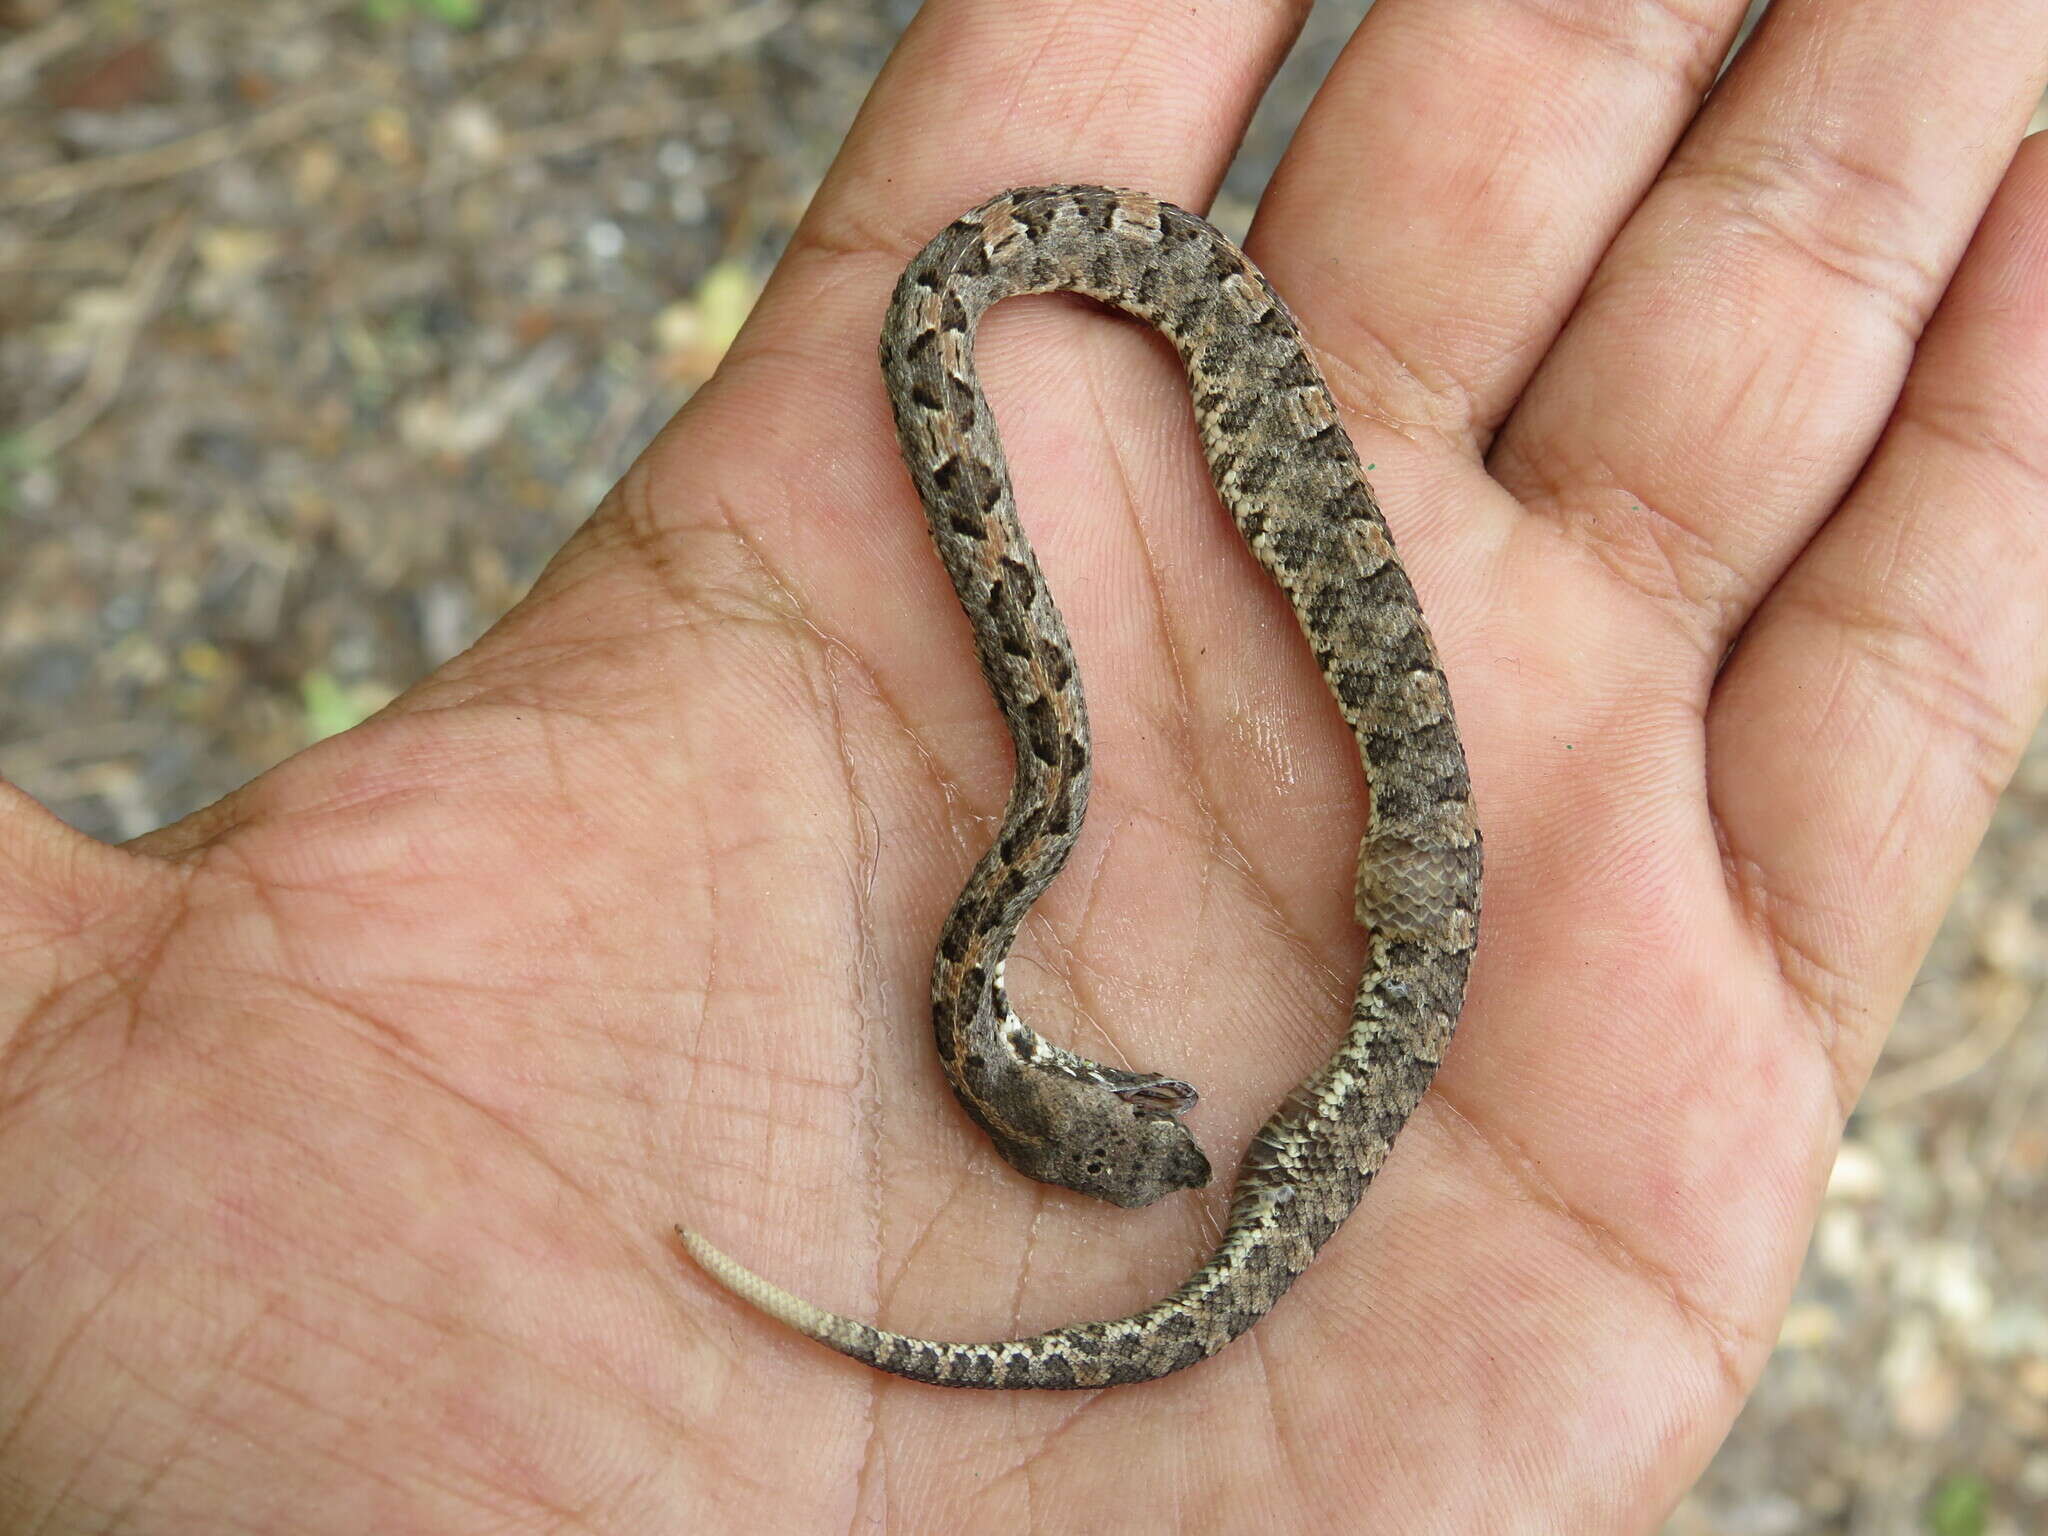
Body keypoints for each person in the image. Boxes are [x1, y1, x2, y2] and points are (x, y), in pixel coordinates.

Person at [2, 0, 2044, 1528]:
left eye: (1131, 1130)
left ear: (1048, 1070)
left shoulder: (1049, 871)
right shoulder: (1020, 856)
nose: (1171, 1144)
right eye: (1151, 1132)